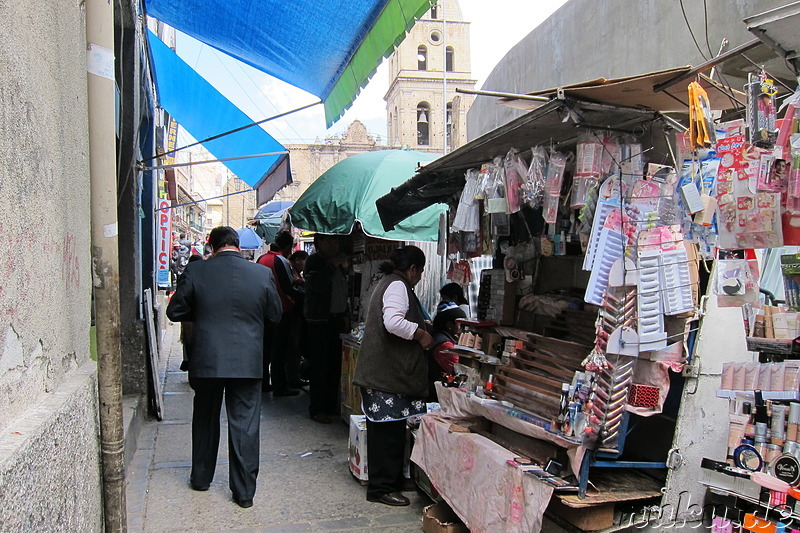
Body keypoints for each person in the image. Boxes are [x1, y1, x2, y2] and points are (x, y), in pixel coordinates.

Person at [166, 226, 281, 509]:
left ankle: (201, 478)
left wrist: (204, 312)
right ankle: (244, 493)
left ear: (212, 247)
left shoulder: (196, 272)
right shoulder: (261, 274)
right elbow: (275, 315)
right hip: (248, 360)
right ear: (237, 246)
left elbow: (175, 311)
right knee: (244, 426)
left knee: (205, 419)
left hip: (207, 360)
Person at [352, 245, 433, 507]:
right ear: (412, 269)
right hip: (384, 375)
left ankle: (391, 481)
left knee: (392, 429)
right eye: (420, 272)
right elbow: (393, 322)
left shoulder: (392, 283)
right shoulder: (398, 286)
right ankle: (381, 488)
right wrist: (420, 334)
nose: (420, 277)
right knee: (385, 433)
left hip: (386, 375)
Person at [304, 234, 349, 424]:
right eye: (328, 241)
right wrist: (333, 265)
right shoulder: (314, 261)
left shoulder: (340, 263)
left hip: (336, 319)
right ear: (319, 243)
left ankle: (331, 405)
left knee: (334, 365)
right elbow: (317, 285)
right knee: (319, 366)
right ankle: (317, 408)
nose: (333, 245)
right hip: (319, 321)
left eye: (335, 241)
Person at [256, 231, 303, 396]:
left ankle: (263, 382)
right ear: (288, 246)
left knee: (265, 349)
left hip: (263, 311)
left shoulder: (262, 259)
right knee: (279, 350)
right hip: (281, 310)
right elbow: (287, 287)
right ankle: (279, 385)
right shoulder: (280, 260)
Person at [427, 302, 467, 401]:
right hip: (435, 393)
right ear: (449, 325)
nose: (462, 329)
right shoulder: (444, 345)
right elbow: (456, 368)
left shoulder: (440, 337)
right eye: (460, 324)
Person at [178, 254, 204, 372]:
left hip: (187, 314)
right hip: (199, 313)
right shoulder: (204, 276)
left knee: (187, 339)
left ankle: (187, 360)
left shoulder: (184, 276)